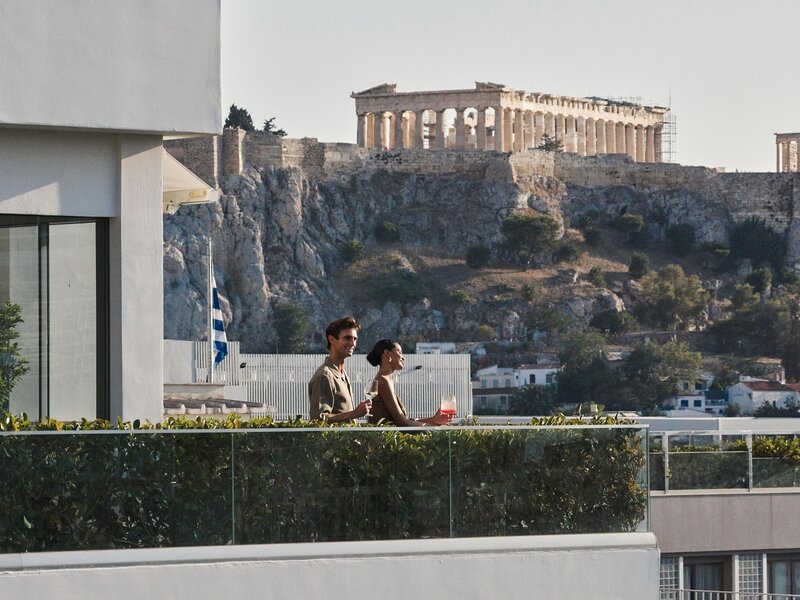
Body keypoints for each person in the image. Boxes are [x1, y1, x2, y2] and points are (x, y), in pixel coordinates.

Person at [365, 338, 451, 426]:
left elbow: (403, 420)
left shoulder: (386, 379)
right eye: (399, 352)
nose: (403, 357)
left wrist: (433, 420)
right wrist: (432, 427)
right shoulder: (383, 380)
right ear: (387, 353)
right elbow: (401, 422)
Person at [308, 316, 372, 423]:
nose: (352, 343)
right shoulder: (325, 375)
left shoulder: (342, 373)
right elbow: (318, 419)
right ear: (331, 339)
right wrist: (354, 414)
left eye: (355, 339)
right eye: (347, 338)